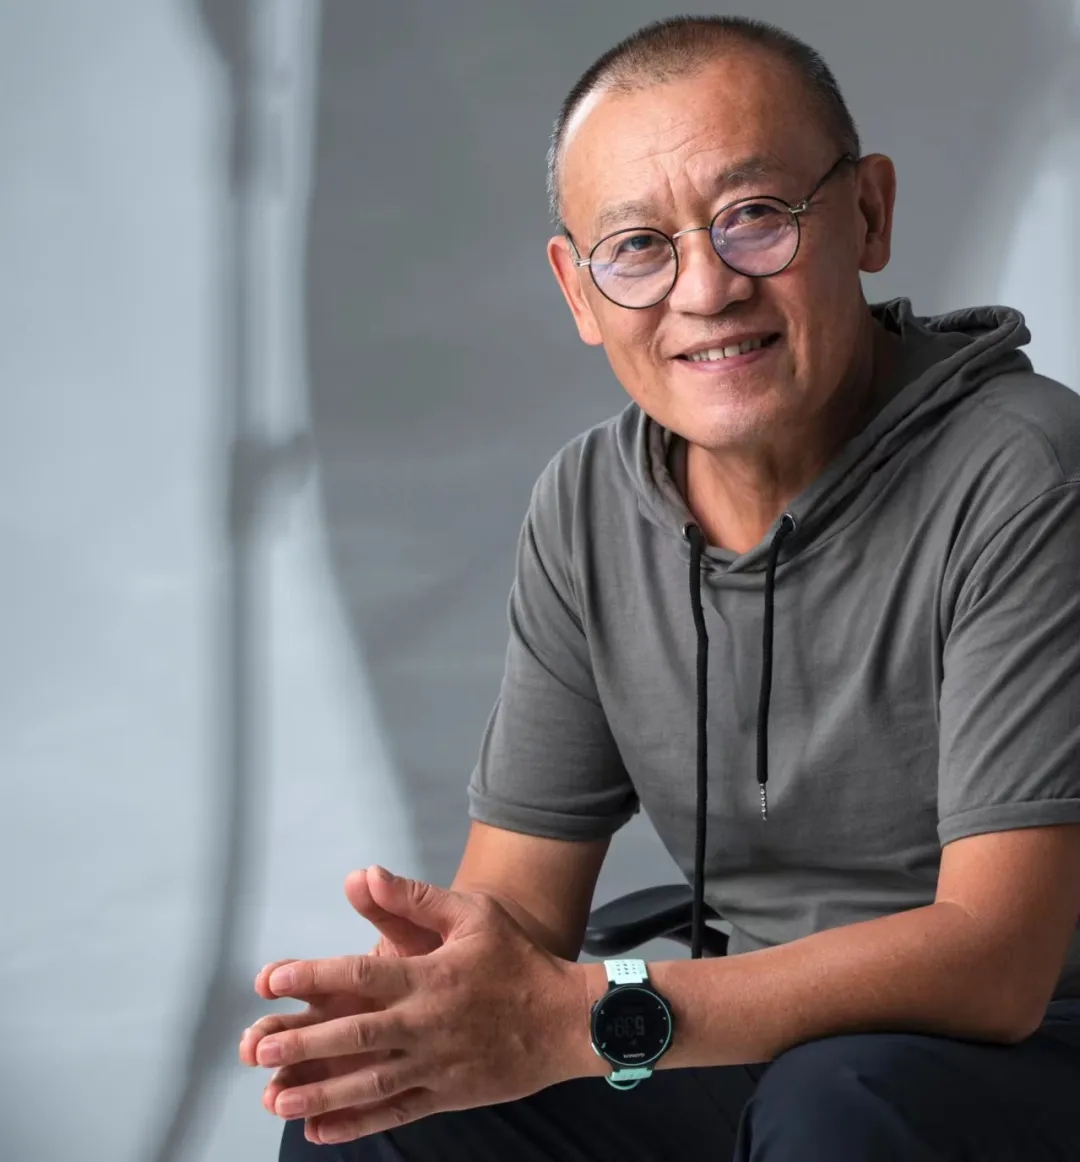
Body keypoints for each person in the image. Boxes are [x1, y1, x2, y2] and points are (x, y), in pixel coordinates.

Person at [241, 15, 1080, 1160]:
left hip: (1030, 1044)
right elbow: (519, 923)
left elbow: (998, 961)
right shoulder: (588, 504)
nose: (707, 289)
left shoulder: (1027, 471)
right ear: (578, 291)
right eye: (638, 246)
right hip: (752, 1041)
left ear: (870, 213)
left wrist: (593, 1012)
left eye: (757, 217)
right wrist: (437, 1000)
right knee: (381, 1115)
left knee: (837, 1104)